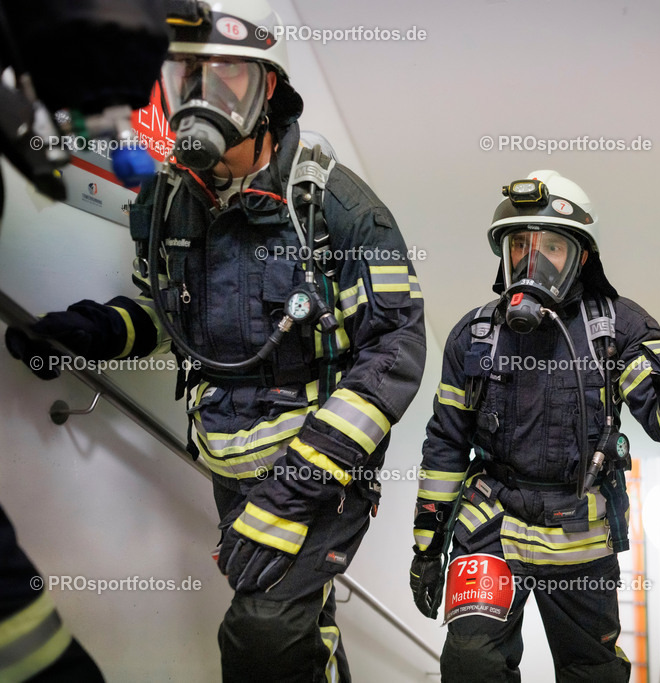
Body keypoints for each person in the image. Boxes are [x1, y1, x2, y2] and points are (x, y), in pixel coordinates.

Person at [5, 2, 426, 681]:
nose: (203, 98)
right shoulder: (163, 203)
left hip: (322, 473)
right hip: (230, 465)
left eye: (227, 77)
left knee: (262, 634)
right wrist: (91, 332)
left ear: (268, 93)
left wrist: (295, 487)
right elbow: (167, 316)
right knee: (294, 625)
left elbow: (395, 352)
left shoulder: (338, 210)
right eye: (186, 79)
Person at [409, 170, 660, 682]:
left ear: (581, 257)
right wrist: (426, 548)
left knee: (594, 675)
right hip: (491, 527)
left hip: (582, 537)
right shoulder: (474, 336)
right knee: (470, 667)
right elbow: (445, 448)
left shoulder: (616, 328)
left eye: (552, 246)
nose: (532, 260)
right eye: (519, 244)